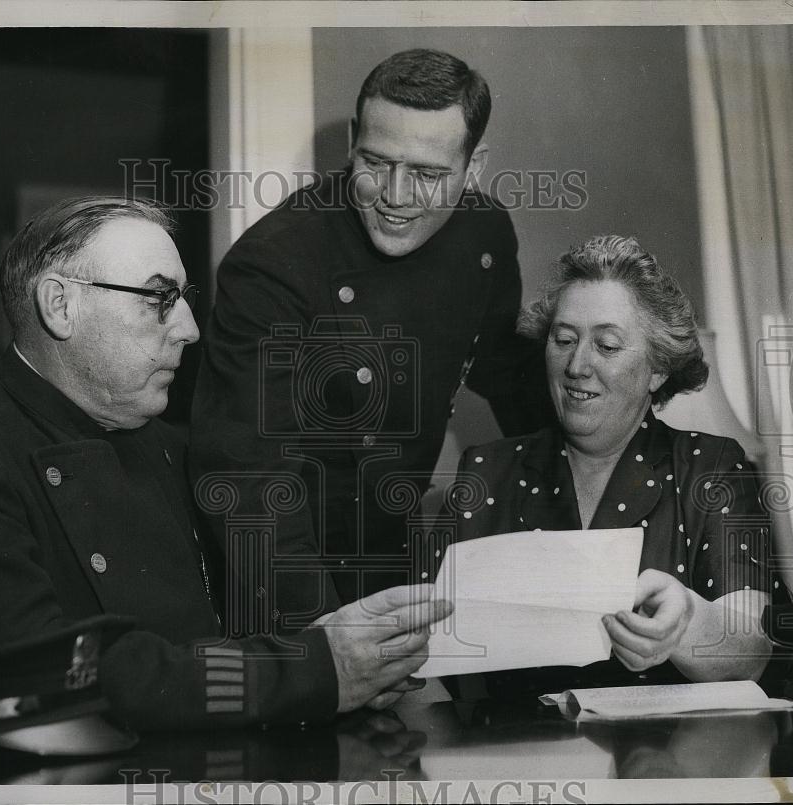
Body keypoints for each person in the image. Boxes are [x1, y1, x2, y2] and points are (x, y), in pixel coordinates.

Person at [0, 196, 452, 731]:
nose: (190, 330)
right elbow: (50, 678)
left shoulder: (166, 445)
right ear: (60, 305)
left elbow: (227, 636)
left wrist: (355, 659)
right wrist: (317, 672)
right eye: (158, 298)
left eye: (185, 301)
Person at [190, 49, 551, 627]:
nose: (395, 195)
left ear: (475, 164)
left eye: (429, 174)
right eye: (375, 163)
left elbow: (507, 374)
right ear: (352, 139)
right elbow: (244, 474)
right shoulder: (273, 262)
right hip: (275, 577)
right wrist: (326, 639)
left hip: (392, 558)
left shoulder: (484, 235)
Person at [447, 235, 781, 689]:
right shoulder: (486, 471)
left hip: (667, 755)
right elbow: (436, 644)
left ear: (658, 369)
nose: (576, 366)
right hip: (516, 752)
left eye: (606, 346)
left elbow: (752, 650)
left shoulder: (711, 468)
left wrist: (684, 621)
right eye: (563, 339)